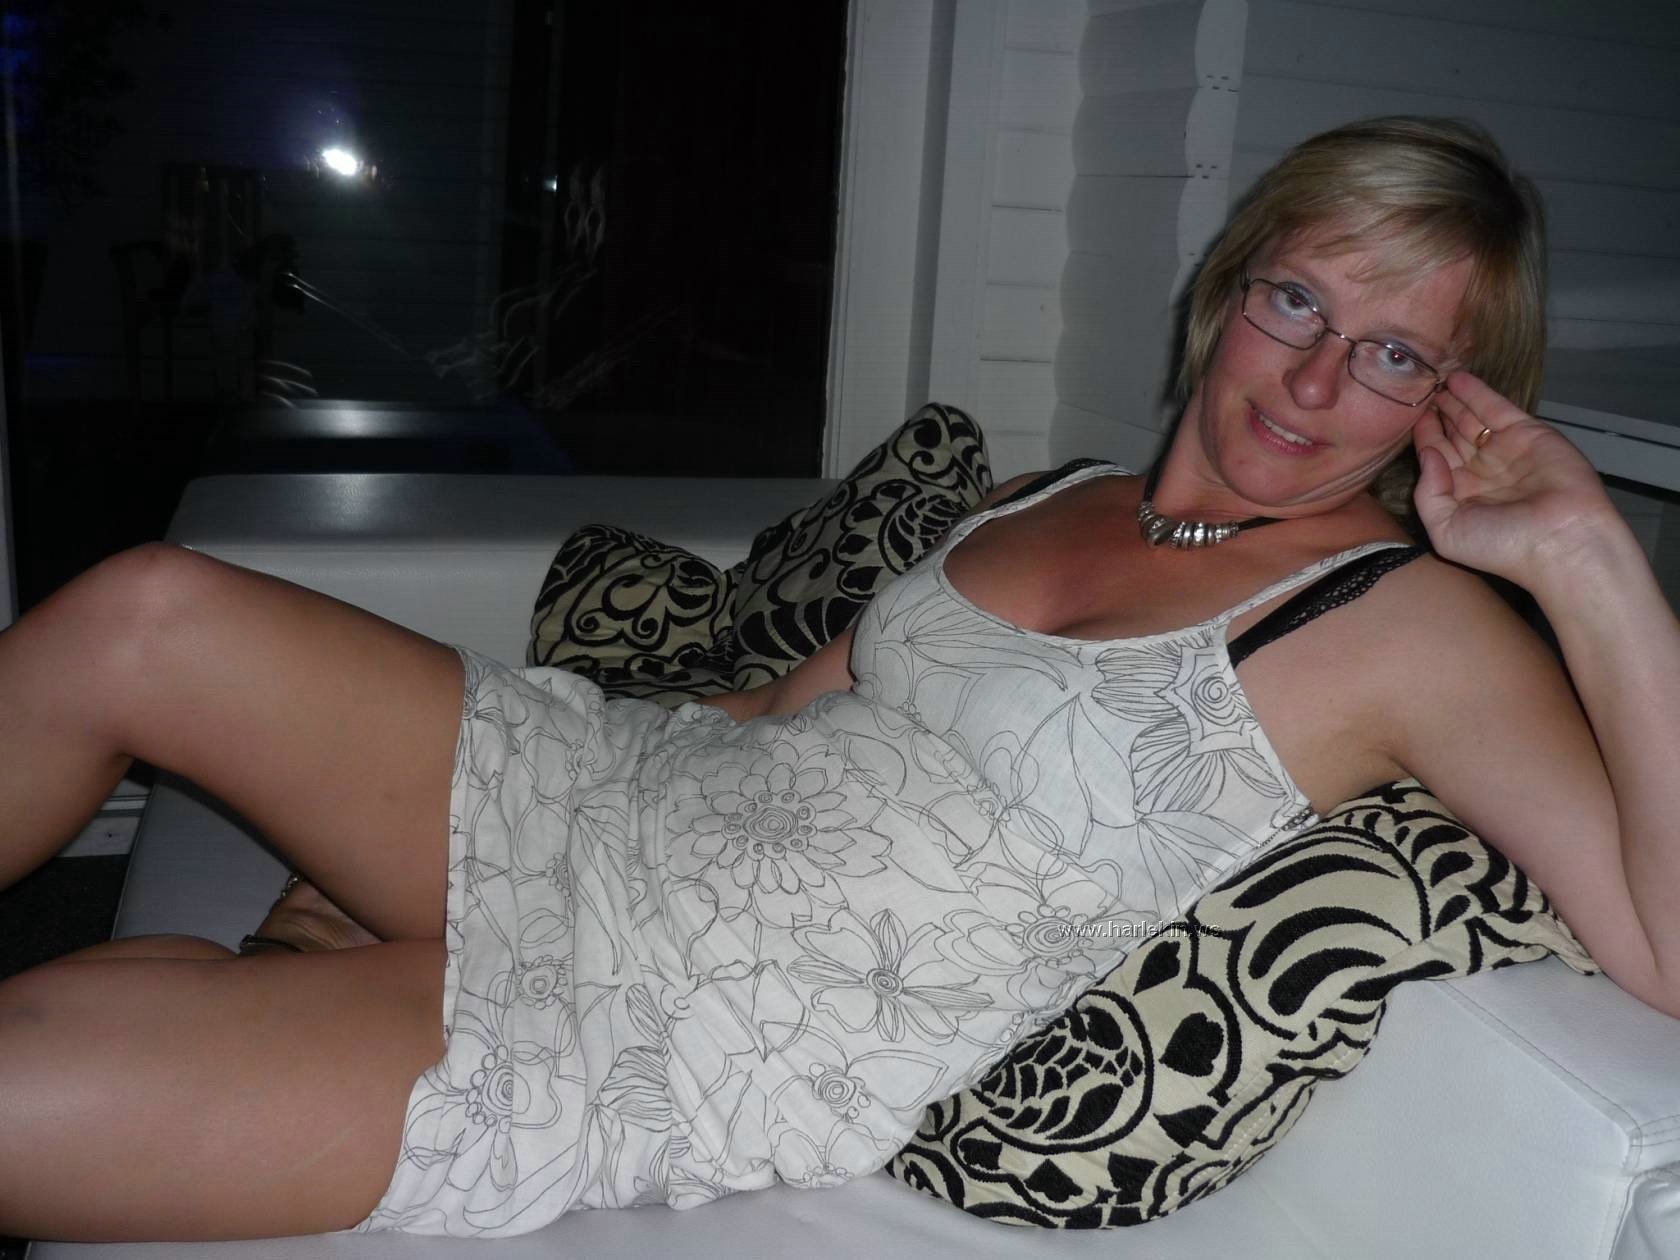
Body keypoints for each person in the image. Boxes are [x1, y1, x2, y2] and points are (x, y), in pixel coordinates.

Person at [3, 114, 1676, 1241]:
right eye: (1295, 301)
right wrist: (397, 839)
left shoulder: (1408, 625)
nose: (1312, 382)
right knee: (146, 611)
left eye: (1394, 354)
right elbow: (772, 713)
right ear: (1227, 290)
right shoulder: (1046, 492)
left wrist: (1589, 559)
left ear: (1455, 404)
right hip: (606, 802)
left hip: (669, 1027)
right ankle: (257, 979)